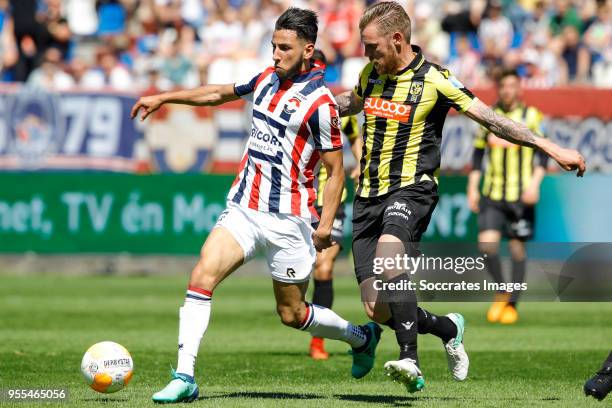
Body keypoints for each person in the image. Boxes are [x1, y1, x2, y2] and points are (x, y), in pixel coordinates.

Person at [131, 8, 382, 404]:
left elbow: (335, 171)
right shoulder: (265, 79)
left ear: (307, 49)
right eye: (273, 46)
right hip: (244, 208)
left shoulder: (320, 105)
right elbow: (218, 94)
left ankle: (360, 337)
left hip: (290, 220)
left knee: (293, 315)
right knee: (201, 276)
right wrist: (165, 97)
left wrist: (325, 225)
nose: (276, 54)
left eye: (285, 48)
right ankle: (185, 376)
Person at [334, 1, 586, 394]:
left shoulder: (436, 80)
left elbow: (491, 119)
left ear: (397, 39)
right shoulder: (371, 74)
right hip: (367, 196)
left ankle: (410, 359)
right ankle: (447, 327)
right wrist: (313, 105)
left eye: (372, 46)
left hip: (412, 189)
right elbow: (353, 103)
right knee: (376, 308)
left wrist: (549, 146)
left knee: (390, 255)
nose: (367, 54)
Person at [467, 68, 548, 325]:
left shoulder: (532, 116)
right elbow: (478, 154)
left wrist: (535, 184)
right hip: (493, 193)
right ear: (499, 88)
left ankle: (512, 305)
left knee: (516, 249)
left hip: (520, 195)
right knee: (487, 246)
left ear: (519, 88)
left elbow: (543, 153)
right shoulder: (488, 117)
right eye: (503, 86)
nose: (507, 91)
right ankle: (503, 291)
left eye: (512, 86)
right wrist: (473, 186)